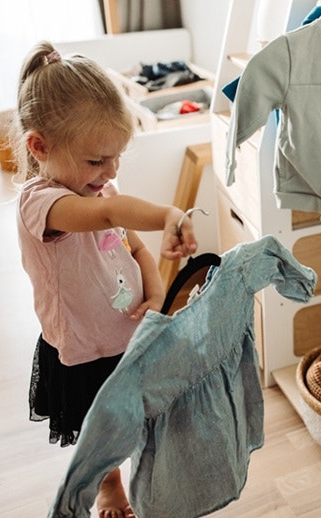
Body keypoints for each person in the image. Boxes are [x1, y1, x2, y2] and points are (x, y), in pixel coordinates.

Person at [13, 41, 198, 518]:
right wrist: (170, 213)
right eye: (97, 161)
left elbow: (131, 245)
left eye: (116, 158)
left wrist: (156, 290)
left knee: (137, 413)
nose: (111, 172)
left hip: (129, 336)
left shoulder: (102, 186)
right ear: (40, 147)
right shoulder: (42, 204)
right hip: (85, 349)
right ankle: (109, 486)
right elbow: (108, 213)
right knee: (100, 429)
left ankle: (145, 469)